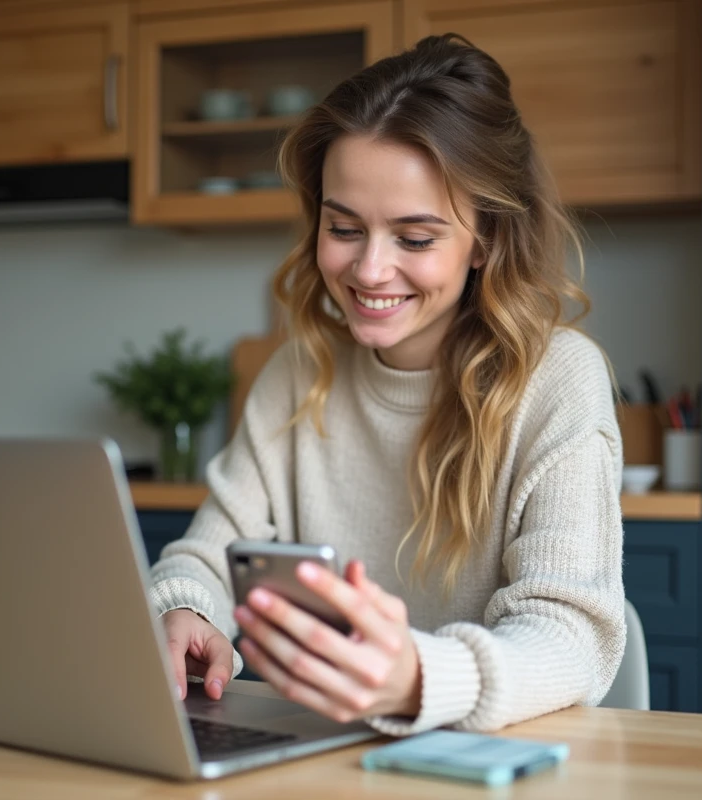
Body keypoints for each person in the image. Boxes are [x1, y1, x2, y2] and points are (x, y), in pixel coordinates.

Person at [148, 33, 626, 735]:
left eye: (415, 238)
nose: (369, 270)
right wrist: (185, 608)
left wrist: (416, 678)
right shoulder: (298, 374)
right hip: (334, 759)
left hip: (502, 767)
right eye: (344, 227)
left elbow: (570, 638)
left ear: (485, 239)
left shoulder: (558, 379)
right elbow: (210, 554)